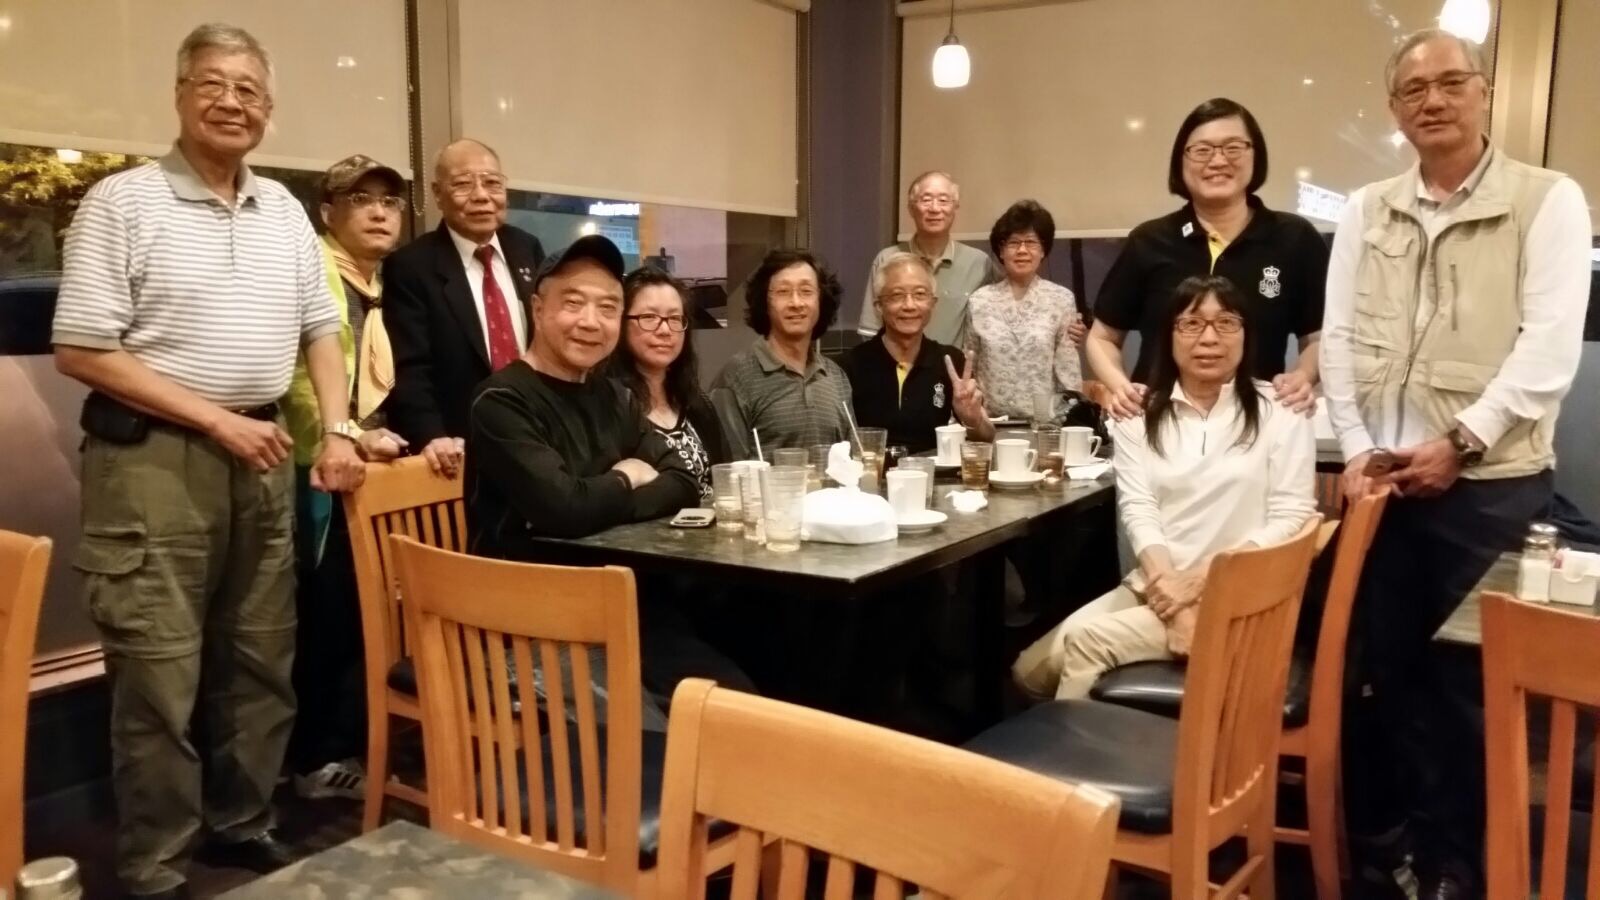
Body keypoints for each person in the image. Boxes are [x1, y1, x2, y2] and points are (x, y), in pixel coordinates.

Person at [51, 24, 367, 898]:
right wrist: (218, 422)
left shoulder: (285, 212)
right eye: (213, 84)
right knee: (158, 671)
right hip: (151, 462)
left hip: (261, 454)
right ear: (180, 94)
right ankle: (155, 863)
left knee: (261, 656)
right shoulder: (123, 202)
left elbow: (322, 329)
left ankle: (243, 820)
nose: (232, 102)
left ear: (269, 109)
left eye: (249, 90)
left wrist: (338, 430)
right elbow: (82, 348)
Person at [1324, 29, 1592, 900]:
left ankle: (1464, 865)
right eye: (1414, 90)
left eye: (1450, 83)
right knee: (1389, 675)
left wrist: (1463, 441)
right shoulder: (1367, 209)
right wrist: (1357, 450)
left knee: (1472, 692)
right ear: (1394, 110)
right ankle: (1398, 845)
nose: (1432, 101)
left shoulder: (1546, 200)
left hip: (1489, 490)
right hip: (1385, 486)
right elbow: (1337, 341)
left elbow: (1548, 350)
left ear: (1483, 93)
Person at [464, 235, 754, 713]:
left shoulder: (612, 397)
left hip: (623, 604)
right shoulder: (502, 401)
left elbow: (682, 480)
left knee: (740, 695)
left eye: (607, 308)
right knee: (654, 730)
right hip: (530, 621)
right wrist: (624, 478)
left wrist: (592, 500)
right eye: (573, 303)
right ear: (538, 309)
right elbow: (563, 509)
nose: (590, 321)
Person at [1013, 276, 1315, 700]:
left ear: (1246, 334)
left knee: (1086, 644)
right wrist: (1173, 600)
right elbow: (1139, 510)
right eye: (1191, 323)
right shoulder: (1138, 414)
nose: (1208, 338)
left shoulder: (1281, 410)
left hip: (1239, 595)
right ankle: (1122, 731)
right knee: (1027, 672)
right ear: (1168, 336)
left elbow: (1292, 515)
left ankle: (1085, 746)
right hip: (1157, 584)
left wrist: (1201, 580)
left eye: (1226, 323)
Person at [281, 155, 410, 802]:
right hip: (317, 470)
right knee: (324, 617)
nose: (380, 212)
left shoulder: (381, 283)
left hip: (370, 473)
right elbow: (298, 379)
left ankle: (349, 745)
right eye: (361, 200)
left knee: (362, 614)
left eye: (389, 201)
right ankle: (315, 759)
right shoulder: (314, 272)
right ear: (327, 212)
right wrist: (351, 436)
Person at [1086, 98, 1329, 420]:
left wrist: (1303, 376)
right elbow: (1102, 337)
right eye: (1202, 150)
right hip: (1159, 422)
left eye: (1233, 148)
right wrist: (1121, 388)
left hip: (1258, 422)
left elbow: (1319, 336)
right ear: (1181, 161)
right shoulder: (1149, 240)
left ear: (1255, 155)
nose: (1217, 160)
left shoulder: (1294, 238)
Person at [384, 139, 546, 477]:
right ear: (437, 193)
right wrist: (431, 435)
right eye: (462, 184)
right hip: (461, 447)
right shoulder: (411, 266)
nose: (481, 196)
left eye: (492, 182)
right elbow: (410, 367)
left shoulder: (526, 248)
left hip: (538, 436)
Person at [839, 251, 994, 453]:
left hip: (932, 470)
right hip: (870, 470)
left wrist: (972, 419)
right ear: (879, 306)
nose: (909, 305)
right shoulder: (848, 366)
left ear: (932, 303)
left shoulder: (950, 361)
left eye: (920, 294)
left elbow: (986, 436)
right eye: (897, 295)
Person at [603, 266, 729, 502]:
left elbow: (724, 476)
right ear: (621, 323)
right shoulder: (607, 407)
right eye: (649, 317)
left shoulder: (695, 402)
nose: (664, 330)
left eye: (674, 319)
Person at [712, 249, 854, 458]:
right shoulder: (736, 378)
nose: (796, 303)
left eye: (806, 291)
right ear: (765, 302)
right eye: (783, 292)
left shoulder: (836, 377)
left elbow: (851, 461)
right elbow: (729, 470)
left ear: (821, 301)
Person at [962, 200, 1083, 420]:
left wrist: (1073, 418)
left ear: (1043, 250)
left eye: (1031, 242)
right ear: (1001, 250)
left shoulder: (1061, 299)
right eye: (1014, 243)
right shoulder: (979, 301)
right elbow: (970, 365)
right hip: (990, 422)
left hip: (1044, 423)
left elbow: (1068, 369)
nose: (1022, 250)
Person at [856, 171, 999, 345]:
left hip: (954, 362)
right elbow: (870, 331)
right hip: (897, 362)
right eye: (926, 200)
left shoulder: (979, 263)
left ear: (955, 207)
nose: (935, 208)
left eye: (943, 200)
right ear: (911, 208)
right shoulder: (887, 259)